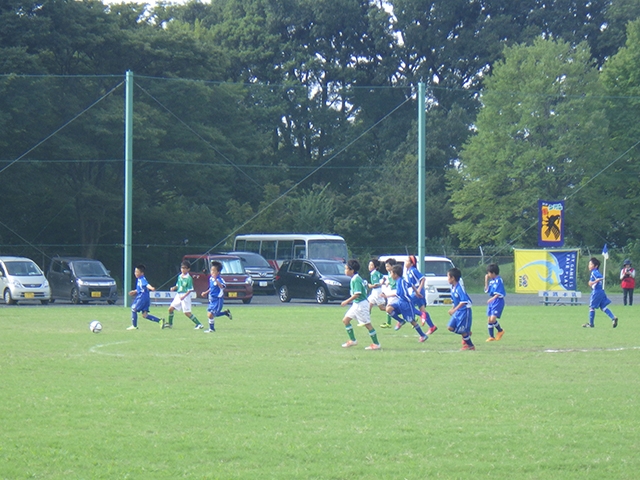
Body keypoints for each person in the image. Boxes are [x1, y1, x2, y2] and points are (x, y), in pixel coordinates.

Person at [341, 259, 381, 350]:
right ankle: (353, 340)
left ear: (352, 270)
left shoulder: (356, 279)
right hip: (356, 304)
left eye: (346, 268)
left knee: (367, 324)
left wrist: (346, 301)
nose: (345, 270)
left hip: (361, 305)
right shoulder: (355, 278)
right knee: (345, 320)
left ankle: (376, 344)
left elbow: (357, 294)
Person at [384, 264, 428, 343]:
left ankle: (423, 335)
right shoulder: (400, 281)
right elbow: (411, 285)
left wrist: (386, 296)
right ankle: (401, 321)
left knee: (412, 321)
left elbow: (402, 294)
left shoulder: (401, 282)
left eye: (391, 273)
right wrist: (417, 292)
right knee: (388, 309)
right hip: (400, 302)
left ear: (395, 274)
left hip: (406, 304)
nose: (390, 275)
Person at [404, 255, 437, 335]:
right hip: (415, 291)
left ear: (412, 264)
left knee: (406, 304)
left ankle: (421, 315)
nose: (405, 262)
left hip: (418, 292)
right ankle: (432, 326)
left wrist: (418, 289)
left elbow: (422, 279)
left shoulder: (413, 270)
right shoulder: (408, 272)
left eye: (407, 261)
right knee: (422, 309)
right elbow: (410, 284)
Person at [165, 260, 203, 329]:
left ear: (188, 269)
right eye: (182, 268)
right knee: (170, 309)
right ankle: (170, 324)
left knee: (187, 313)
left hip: (185, 296)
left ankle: (199, 324)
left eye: (185, 268)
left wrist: (184, 296)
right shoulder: (179, 276)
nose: (183, 269)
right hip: (178, 295)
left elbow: (190, 289)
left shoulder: (189, 278)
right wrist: (174, 287)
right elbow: (178, 285)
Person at [584, 257, 618, 328]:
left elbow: (601, 277)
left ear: (595, 266)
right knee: (603, 307)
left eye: (590, 264)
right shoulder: (595, 272)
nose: (589, 265)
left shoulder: (594, 272)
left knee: (591, 307)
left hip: (596, 292)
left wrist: (595, 281)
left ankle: (591, 324)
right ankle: (613, 317)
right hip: (601, 291)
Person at [127, 264, 164, 330]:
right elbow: (142, 288)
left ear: (142, 273)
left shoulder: (142, 279)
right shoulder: (139, 279)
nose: (135, 273)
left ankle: (134, 326)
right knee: (145, 315)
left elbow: (147, 285)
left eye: (137, 272)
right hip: (146, 297)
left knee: (133, 309)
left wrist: (151, 288)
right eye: (135, 272)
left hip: (142, 297)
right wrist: (135, 291)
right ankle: (159, 321)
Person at [447, 267, 475, 351]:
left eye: (448, 277)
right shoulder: (453, 288)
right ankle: (466, 335)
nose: (447, 279)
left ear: (453, 278)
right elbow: (455, 301)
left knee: (462, 331)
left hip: (464, 311)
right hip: (458, 311)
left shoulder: (459, 288)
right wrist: (452, 308)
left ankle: (470, 345)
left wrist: (454, 310)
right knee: (450, 327)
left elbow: (464, 301)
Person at [200, 261, 232, 333]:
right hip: (212, 299)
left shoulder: (220, 279)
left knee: (212, 314)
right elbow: (211, 288)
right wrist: (205, 292)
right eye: (211, 270)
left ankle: (212, 329)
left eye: (214, 271)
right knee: (210, 314)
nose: (212, 272)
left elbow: (222, 286)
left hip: (218, 300)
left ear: (218, 272)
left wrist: (216, 280)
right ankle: (225, 313)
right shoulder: (211, 279)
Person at [484, 263, 506, 342]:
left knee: (493, 318)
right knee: (489, 319)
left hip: (498, 301)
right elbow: (487, 290)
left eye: (489, 273)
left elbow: (499, 292)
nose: (488, 275)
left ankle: (500, 330)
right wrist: (486, 280)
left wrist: (492, 299)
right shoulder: (491, 281)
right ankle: (491, 336)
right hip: (492, 301)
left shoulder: (499, 280)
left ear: (493, 273)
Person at [378, 258, 397, 328]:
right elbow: (390, 280)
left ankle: (389, 322)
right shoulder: (389, 273)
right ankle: (412, 317)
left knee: (389, 306)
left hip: (395, 291)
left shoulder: (395, 272)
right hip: (392, 290)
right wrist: (388, 283)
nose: (386, 268)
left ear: (393, 266)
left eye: (388, 266)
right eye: (386, 266)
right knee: (391, 307)